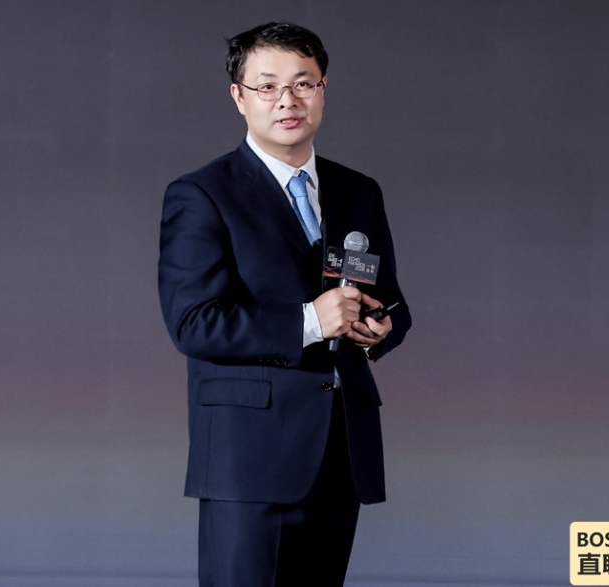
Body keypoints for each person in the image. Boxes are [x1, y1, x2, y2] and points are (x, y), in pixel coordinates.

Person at [158, 21, 411, 587]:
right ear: (238, 97)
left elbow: (390, 298)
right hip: (250, 458)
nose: (287, 100)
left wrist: (381, 328)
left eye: (303, 83)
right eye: (267, 86)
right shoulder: (202, 194)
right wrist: (311, 320)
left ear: (323, 89)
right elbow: (193, 323)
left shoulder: (358, 191)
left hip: (341, 449)